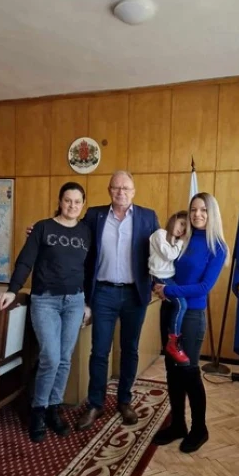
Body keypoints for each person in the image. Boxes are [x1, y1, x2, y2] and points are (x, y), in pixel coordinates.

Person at [0, 182, 91, 443]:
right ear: (60, 201)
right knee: (50, 356)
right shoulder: (43, 228)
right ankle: (38, 410)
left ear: (83, 204)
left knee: (65, 359)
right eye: (68, 200)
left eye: (77, 201)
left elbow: (90, 269)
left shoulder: (86, 232)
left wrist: (87, 302)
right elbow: (25, 260)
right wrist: (12, 290)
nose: (72, 205)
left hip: (75, 301)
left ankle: (53, 408)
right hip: (45, 301)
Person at [76, 171, 160, 431]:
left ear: (134, 191)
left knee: (130, 349)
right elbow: (74, 236)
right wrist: (41, 230)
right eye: (116, 187)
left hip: (135, 293)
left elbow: (160, 252)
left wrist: (161, 282)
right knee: (100, 351)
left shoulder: (148, 217)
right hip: (103, 293)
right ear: (109, 190)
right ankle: (96, 403)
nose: (121, 192)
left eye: (126, 188)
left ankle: (124, 400)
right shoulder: (94, 215)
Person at [151, 192, 228, 453]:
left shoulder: (217, 246)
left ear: (212, 213)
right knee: (171, 370)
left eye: (203, 210)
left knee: (189, 371)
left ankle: (199, 429)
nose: (197, 214)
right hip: (169, 310)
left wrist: (168, 290)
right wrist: (157, 285)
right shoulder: (182, 237)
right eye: (193, 209)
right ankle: (178, 425)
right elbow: (164, 266)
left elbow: (204, 287)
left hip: (192, 316)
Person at [148, 211, 190, 365]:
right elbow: (169, 255)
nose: (181, 230)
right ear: (175, 218)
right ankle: (173, 342)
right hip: (160, 277)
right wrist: (181, 242)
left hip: (170, 278)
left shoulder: (174, 239)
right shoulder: (160, 234)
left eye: (185, 229)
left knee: (177, 306)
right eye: (181, 224)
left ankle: (172, 341)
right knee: (181, 304)